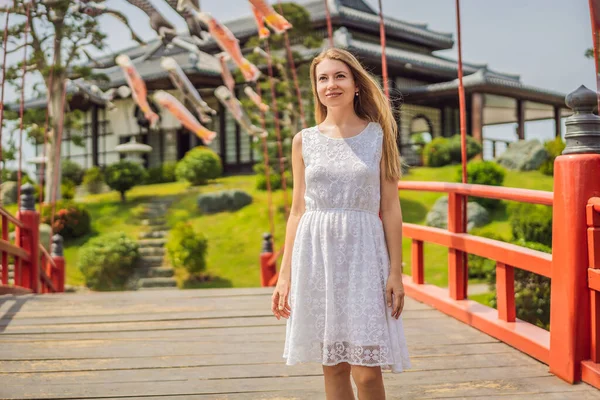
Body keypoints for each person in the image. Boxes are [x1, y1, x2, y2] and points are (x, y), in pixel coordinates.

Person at [272, 47, 411, 400]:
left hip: (364, 256)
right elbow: (297, 210)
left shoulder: (379, 135)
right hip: (317, 257)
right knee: (333, 368)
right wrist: (284, 275)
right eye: (323, 78)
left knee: (366, 372)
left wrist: (396, 271)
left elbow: (391, 208)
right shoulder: (304, 140)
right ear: (316, 88)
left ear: (356, 85)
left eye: (339, 76)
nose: (330, 84)